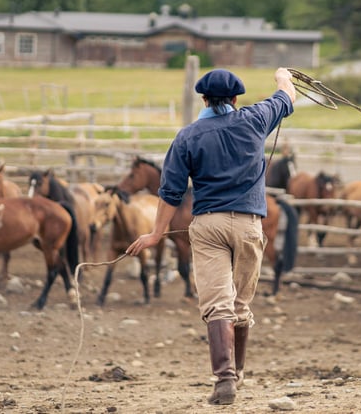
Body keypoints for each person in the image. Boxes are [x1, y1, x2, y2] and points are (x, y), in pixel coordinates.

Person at [126, 67, 297, 405]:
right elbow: (287, 96)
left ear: (203, 98)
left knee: (217, 304)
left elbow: (171, 192)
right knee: (240, 304)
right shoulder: (255, 119)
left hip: (207, 226)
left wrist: (156, 233)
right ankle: (240, 372)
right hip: (249, 224)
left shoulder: (188, 136)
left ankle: (224, 380)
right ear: (235, 99)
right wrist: (283, 76)